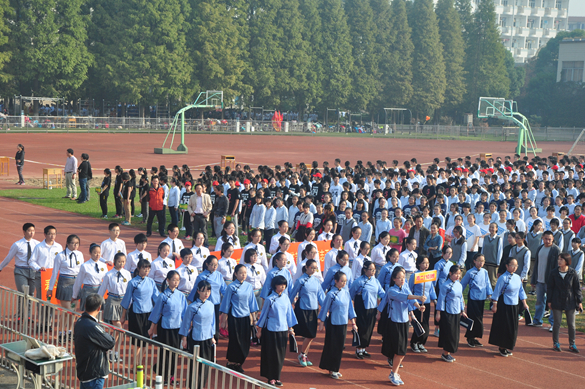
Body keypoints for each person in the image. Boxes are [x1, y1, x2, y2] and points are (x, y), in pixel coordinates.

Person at [257, 275, 298, 386]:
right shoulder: (270, 299)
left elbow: (289, 314)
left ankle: (277, 377)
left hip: (283, 330)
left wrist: (291, 328)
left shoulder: (285, 298)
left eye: (284, 285)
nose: (283, 287)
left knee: (280, 354)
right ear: (275, 285)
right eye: (281, 285)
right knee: (271, 354)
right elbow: (263, 315)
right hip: (271, 330)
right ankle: (271, 377)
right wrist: (259, 330)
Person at [148, 270, 188, 382]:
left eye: (178, 280)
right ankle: (162, 375)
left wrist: (185, 330)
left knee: (175, 353)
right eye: (174, 280)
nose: (176, 282)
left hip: (177, 328)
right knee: (164, 352)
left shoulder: (181, 296)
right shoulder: (163, 296)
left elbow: (184, 313)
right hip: (165, 328)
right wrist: (151, 328)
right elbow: (156, 313)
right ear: (168, 280)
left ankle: (171, 376)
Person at [220, 264, 260, 373]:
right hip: (234, 317)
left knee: (245, 341)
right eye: (241, 273)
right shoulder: (231, 287)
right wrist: (224, 320)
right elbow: (226, 304)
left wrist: (254, 318)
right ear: (236, 274)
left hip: (245, 317)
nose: (243, 275)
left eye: (245, 273)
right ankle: (232, 362)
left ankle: (239, 362)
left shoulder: (248, 286)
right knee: (235, 341)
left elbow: (252, 303)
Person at [318, 271, 356, 379]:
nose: (344, 283)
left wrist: (353, 322)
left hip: (343, 323)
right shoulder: (331, 294)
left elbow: (350, 309)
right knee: (332, 346)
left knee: (340, 347)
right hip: (333, 323)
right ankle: (332, 369)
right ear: (335, 281)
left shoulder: (346, 293)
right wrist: (321, 322)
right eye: (342, 281)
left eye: (345, 281)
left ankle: (335, 368)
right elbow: (325, 309)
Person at [489, 258, 530, 357]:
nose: (515, 268)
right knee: (504, 326)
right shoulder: (503, 278)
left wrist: (524, 303)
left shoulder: (517, 277)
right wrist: (494, 305)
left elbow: (521, 291)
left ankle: (508, 346)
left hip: (514, 305)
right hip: (504, 305)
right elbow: (497, 292)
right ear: (507, 266)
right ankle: (502, 347)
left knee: (512, 327)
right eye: (512, 265)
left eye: (516, 266)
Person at [74, 294, 115, 389]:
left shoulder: (80, 321)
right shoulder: (92, 326)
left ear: (85, 306)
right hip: (94, 375)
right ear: (99, 308)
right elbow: (110, 342)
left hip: (84, 371)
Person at [290, 258, 325, 367]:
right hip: (303, 309)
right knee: (308, 334)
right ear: (306, 267)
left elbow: (321, 296)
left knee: (311, 335)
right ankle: (302, 354)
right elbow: (292, 294)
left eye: (315, 268)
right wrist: (287, 307)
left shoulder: (316, 281)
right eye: (312, 268)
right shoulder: (300, 280)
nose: (314, 270)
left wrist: (325, 308)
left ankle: (304, 354)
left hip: (314, 309)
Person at [180, 280, 216, 388]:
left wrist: (213, 336)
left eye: (208, 291)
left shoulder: (211, 305)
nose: (206, 293)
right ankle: (192, 385)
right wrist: (184, 338)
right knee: (195, 364)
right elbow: (186, 323)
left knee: (205, 365)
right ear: (198, 291)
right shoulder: (192, 307)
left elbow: (212, 322)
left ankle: (201, 385)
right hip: (196, 338)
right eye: (204, 291)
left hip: (207, 339)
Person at [98, 252, 131, 362]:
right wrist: (98, 302)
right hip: (112, 300)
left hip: (123, 302)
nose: (121, 264)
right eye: (119, 261)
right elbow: (102, 289)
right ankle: (113, 351)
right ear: (114, 261)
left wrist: (129, 303)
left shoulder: (127, 274)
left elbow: (129, 290)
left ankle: (112, 351)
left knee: (117, 329)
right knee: (119, 328)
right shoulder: (109, 275)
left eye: (123, 262)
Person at [547, 253, 582, 353]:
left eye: (561, 259)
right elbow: (550, 288)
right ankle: (556, 343)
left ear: (567, 261)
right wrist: (549, 301)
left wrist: (579, 301)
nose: (559, 261)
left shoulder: (572, 272)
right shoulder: (553, 272)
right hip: (556, 300)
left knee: (571, 324)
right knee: (556, 323)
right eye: (558, 259)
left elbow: (577, 288)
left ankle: (572, 344)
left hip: (570, 301)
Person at [350, 260, 385, 359]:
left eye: (374, 269)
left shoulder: (375, 281)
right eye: (371, 269)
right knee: (362, 328)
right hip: (361, 307)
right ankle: (358, 349)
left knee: (369, 328)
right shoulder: (358, 281)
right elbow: (351, 295)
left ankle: (364, 348)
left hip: (372, 307)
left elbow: (382, 293)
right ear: (365, 270)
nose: (373, 271)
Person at [189, 255, 227, 342]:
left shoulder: (219, 275)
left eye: (216, 265)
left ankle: (214, 341)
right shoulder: (201, 276)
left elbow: (223, 289)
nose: (214, 267)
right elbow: (195, 290)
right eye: (212, 265)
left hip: (216, 304)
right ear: (207, 264)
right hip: (204, 304)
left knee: (215, 323)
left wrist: (228, 299)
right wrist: (190, 302)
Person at [436, 265, 467, 363]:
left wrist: (462, 310)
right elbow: (441, 300)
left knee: (454, 333)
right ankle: (445, 353)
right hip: (447, 312)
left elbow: (461, 298)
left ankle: (448, 352)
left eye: (459, 274)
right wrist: (438, 313)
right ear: (450, 273)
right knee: (448, 333)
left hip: (456, 312)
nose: (458, 276)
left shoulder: (459, 284)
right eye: (456, 274)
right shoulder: (445, 286)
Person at [530, 231, 561, 329]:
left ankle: (553, 324)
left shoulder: (556, 250)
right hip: (539, 280)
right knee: (539, 301)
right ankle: (537, 320)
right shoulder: (540, 248)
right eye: (545, 239)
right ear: (542, 238)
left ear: (553, 239)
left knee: (552, 302)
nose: (547, 241)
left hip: (550, 281)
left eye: (549, 239)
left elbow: (558, 266)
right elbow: (536, 265)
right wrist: (533, 279)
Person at [460, 253, 492, 348]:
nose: (481, 263)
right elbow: (462, 284)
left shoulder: (485, 272)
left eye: (482, 261)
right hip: (473, 297)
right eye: (479, 261)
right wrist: (459, 295)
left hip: (482, 298)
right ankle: (470, 337)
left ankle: (475, 337)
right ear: (474, 261)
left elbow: (488, 283)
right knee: (473, 318)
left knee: (479, 318)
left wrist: (490, 295)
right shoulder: (470, 272)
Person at [0, 223, 39, 298]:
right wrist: (0, 267)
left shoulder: (37, 244)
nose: (31, 233)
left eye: (33, 231)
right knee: (23, 294)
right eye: (29, 230)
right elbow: (9, 257)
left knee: (31, 295)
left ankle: (28, 310)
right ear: (24, 232)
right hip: (21, 271)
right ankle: (20, 310)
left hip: (33, 272)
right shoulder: (17, 244)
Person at [408, 256, 436, 353]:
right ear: (419, 264)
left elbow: (431, 289)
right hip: (418, 304)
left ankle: (421, 343)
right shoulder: (414, 275)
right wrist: (412, 303)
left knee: (425, 324)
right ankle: (414, 342)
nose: (426, 265)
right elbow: (409, 289)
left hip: (427, 303)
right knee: (418, 323)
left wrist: (434, 299)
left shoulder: (429, 275)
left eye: (427, 263)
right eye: (424, 263)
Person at [48, 234, 83, 310]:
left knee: (73, 310)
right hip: (64, 283)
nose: (75, 245)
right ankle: (63, 322)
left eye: (77, 243)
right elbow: (54, 273)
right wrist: (50, 288)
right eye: (73, 243)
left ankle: (71, 322)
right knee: (67, 310)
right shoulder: (60, 255)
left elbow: (82, 270)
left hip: (76, 283)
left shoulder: (80, 254)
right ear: (67, 243)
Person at [29, 225, 62, 300]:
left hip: (54, 276)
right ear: (45, 234)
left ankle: (51, 312)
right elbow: (31, 261)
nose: (52, 236)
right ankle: (41, 311)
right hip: (42, 275)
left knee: (53, 298)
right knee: (42, 297)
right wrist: (39, 268)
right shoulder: (39, 247)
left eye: (54, 234)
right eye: (50, 234)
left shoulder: (59, 247)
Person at [72, 243, 108, 311]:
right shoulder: (85, 266)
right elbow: (78, 282)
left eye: (99, 253)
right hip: (88, 291)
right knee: (88, 311)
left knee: (98, 311)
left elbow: (106, 280)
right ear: (90, 253)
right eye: (95, 252)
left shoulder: (103, 265)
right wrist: (74, 295)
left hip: (99, 290)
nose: (97, 255)